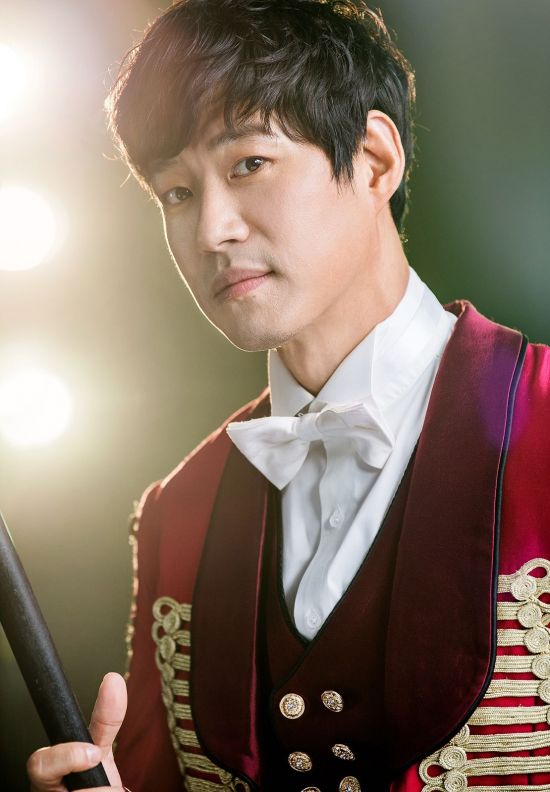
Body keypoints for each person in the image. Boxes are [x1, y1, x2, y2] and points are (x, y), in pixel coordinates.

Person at [27, 1, 550, 791]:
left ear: (374, 160)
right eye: (176, 192)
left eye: (248, 164)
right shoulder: (179, 512)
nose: (212, 230)